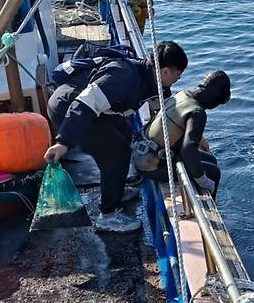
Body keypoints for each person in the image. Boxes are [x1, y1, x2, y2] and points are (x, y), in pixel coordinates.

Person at [44, 41, 188, 233]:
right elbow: (83, 104)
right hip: (68, 107)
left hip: (96, 111)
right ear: (166, 72)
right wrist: (63, 142)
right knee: (115, 154)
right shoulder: (123, 77)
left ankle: (115, 190)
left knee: (125, 134)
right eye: (178, 74)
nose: (179, 79)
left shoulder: (151, 77)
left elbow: (163, 109)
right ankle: (108, 216)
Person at [132, 70, 231, 198]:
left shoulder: (183, 94)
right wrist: (205, 181)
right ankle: (208, 207)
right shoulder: (198, 112)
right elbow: (188, 150)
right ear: (216, 98)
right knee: (213, 172)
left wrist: (199, 138)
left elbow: (178, 122)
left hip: (141, 152)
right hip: (152, 166)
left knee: (210, 159)